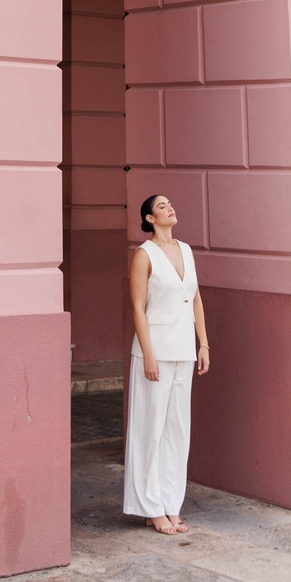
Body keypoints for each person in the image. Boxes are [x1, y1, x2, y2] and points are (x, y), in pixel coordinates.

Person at [124, 193, 209, 534]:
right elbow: (137, 306)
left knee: (177, 430)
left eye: (170, 204)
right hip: (155, 349)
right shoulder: (143, 255)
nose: (170, 208)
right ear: (149, 219)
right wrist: (148, 354)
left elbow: (196, 298)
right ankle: (150, 506)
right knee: (150, 429)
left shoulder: (186, 250)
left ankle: (171, 504)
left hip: (184, 349)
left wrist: (203, 343)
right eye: (162, 206)